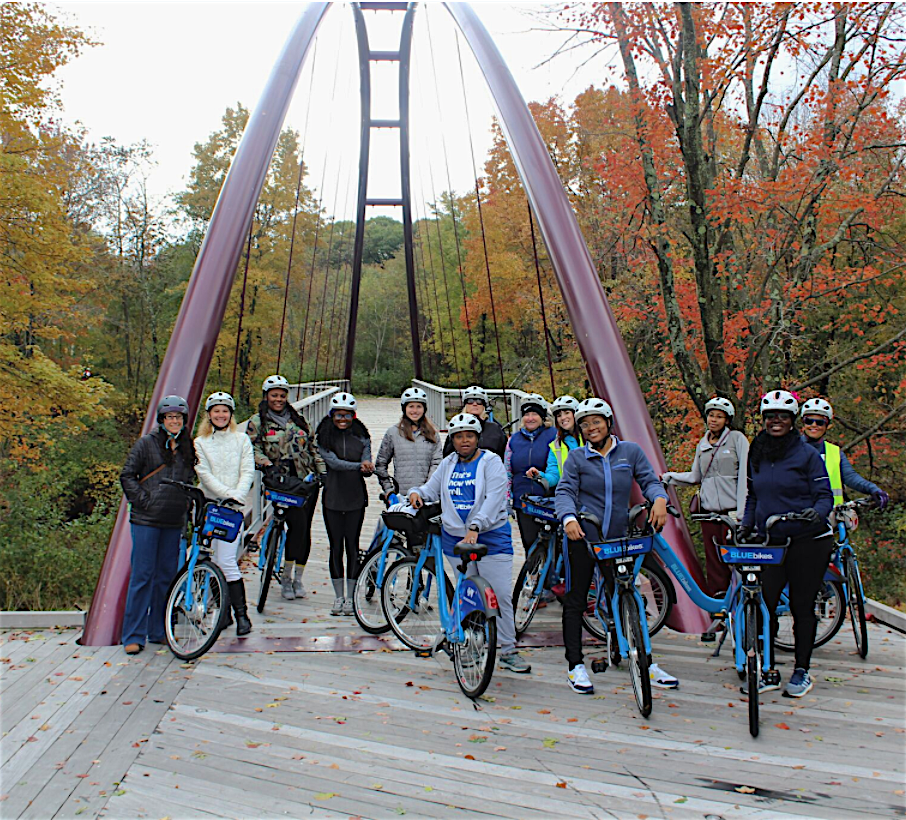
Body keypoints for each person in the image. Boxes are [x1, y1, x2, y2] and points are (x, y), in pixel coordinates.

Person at [555, 397, 677, 695]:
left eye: (596, 421)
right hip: (583, 538)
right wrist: (569, 518)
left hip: (619, 538)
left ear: (608, 422)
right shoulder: (577, 458)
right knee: (576, 600)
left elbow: (649, 480)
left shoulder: (630, 452)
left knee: (627, 596)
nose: (591, 427)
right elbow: (565, 490)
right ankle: (575, 665)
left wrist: (659, 500)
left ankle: (644, 660)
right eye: (585, 424)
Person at [408, 413, 531, 674]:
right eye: (459, 436)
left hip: (491, 538)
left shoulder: (491, 461)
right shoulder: (449, 462)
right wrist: (416, 492)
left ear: (477, 438)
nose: (464, 441)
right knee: (467, 595)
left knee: (499, 595)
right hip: (456, 540)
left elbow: (495, 497)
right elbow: (432, 489)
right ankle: (470, 645)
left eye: (469, 436)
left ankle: (507, 649)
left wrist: (476, 525)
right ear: (452, 440)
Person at [738, 390, 834, 698]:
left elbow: (824, 497)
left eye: (782, 416)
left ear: (792, 421)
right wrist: (745, 526)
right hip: (772, 541)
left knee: (801, 606)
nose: (775, 421)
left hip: (808, 541)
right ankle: (768, 669)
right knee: (765, 605)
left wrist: (815, 515)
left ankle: (802, 670)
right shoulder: (758, 450)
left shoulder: (807, 454)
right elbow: (754, 496)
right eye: (770, 416)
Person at [119, 395, 195, 655]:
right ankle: (133, 634)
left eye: (179, 418)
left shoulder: (187, 447)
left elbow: (191, 478)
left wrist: (187, 505)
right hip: (147, 520)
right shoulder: (146, 445)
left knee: (166, 577)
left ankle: (158, 630)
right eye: (170, 417)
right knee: (142, 576)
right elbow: (127, 475)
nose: (174, 421)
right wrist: (144, 501)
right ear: (162, 419)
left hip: (173, 520)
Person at [661, 396, 749, 601]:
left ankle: (743, 603)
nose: (714, 420)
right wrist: (670, 477)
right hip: (709, 512)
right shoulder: (702, 444)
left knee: (735, 557)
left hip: (733, 512)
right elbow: (696, 477)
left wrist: (742, 512)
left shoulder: (737, 439)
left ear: (727, 420)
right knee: (714, 560)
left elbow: (745, 475)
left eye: (719, 416)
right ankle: (719, 604)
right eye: (711, 415)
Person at [247, 374, 325, 600]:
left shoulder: (299, 419)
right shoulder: (258, 421)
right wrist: (267, 465)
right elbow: (252, 448)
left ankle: (295, 578)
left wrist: (323, 474)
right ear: (266, 396)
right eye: (274, 395)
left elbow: (313, 447)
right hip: (279, 481)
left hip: (304, 481)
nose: (278, 399)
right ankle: (285, 578)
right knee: (293, 524)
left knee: (302, 531)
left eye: (282, 395)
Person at [194, 391, 256, 636]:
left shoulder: (241, 440)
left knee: (227, 560)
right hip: (210, 507)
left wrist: (237, 495)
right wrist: (227, 493)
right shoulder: (200, 443)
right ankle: (224, 613)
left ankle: (242, 616)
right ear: (209, 415)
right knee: (212, 559)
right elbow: (204, 474)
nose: (221, 415)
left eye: (225, 411)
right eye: (216, 411)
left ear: (230, 414)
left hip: (232, 509)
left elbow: (247, 470)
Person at [316, 391, 373, 616]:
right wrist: (359, 466)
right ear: (332, 415)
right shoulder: (324, 436)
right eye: (339, 415)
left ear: (354, 416)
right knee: (336, 547)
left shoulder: (362, 436)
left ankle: (351, 598)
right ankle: (338, 597)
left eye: (347, 415)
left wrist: (366, 467)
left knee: (352, 546)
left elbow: (367, 462)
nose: (343, 419)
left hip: (356, 498)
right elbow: (333, 462)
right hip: (332, 497)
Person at [799, 397, 889, 509]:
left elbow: (851, 478)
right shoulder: (790, 449)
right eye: (809, 421)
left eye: (820, 422)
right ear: (803, 423)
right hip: (799, 515)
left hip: (831, 515)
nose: (814, 425)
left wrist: (873, 489)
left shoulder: (835, 452)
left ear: (827, 425)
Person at [505, 393, 556, 553]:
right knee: (530, 545)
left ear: (542, 417)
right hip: (523, 502)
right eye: (527, 414)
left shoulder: (554, 435)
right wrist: (507, 499)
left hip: (548, 502)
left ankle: (551, 577)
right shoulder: (514, 439)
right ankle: (533, 577)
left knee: (552, 548)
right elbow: (507, 471)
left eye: (534, 414)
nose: (530, 418)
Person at [375, 386, 443, 500]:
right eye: (411, 406)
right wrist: (389, 490)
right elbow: (380, 464)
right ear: (404, 408)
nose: (415, 411)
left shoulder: (433, 434)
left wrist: (428, 488)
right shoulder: (393, 433)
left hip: (427, 496)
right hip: (402, 496)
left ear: (424, 409)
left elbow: (437, 463)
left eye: (419, 407)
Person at [442, 385, 508, 460]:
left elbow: (503, 454)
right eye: (470, 401)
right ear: (465, 404)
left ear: (484, 405)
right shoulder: (456, 427)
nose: (475, 404)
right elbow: (447, 455)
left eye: (479, 401)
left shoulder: (495, 429)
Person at [540, 395, 583, 490]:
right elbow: (554, 476)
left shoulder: (590, 437)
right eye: (559, 415)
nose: (563, 418)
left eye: (567, 413)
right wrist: (540, 476)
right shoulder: (555, 446)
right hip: (571, 495)